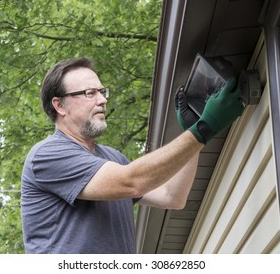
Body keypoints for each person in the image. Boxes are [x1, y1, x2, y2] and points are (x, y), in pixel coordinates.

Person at [20, 57, 244, 253]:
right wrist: (204, 129)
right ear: (59, 105)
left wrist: (193, 130)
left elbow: (172, 196)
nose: (102, 100)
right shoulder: (47, 155)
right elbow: (131, 182)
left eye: (102, 91)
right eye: (90, 93)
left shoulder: (112, 158)